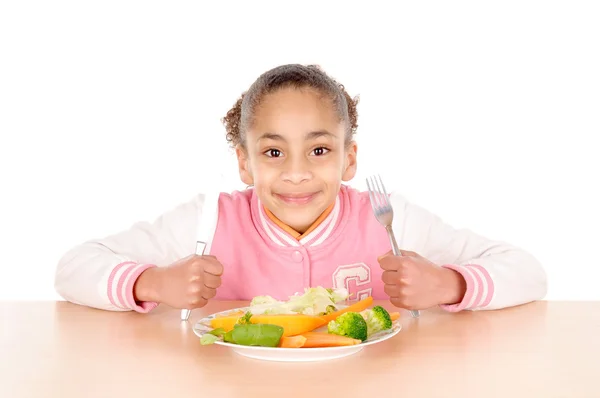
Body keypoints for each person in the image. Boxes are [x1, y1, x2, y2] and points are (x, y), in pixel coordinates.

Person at [54, 64, 547, 315]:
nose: (296, 174)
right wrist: (150, 283)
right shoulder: (209, 220)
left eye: (318, 151)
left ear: (349, 158)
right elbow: (73, 267)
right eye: (273, 153)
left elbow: (528, 272)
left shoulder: (386, 218)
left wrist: (449, 285)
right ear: (244, 163)